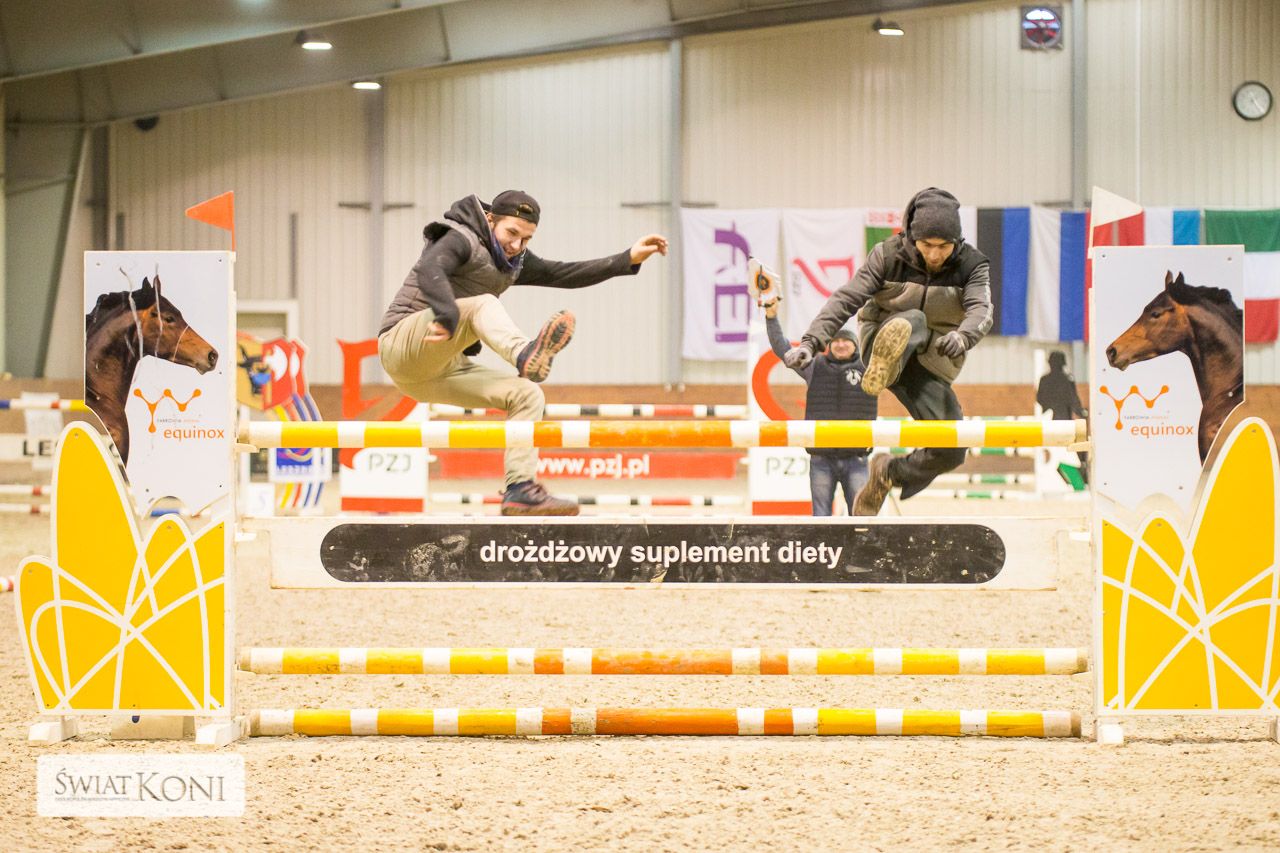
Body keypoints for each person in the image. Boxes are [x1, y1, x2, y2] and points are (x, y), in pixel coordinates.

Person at [378, 190, 668, 516]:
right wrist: (447, 313)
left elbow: (562, 273)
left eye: (526, 238)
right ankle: (523, 353)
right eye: (511, 233)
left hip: (435, 371)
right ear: (491, 220)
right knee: (484, 304)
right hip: (402, 342)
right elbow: (431, 268)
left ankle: (520, 490)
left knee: (528, 394)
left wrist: (628, 258)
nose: (516, 245)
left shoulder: (513, 262)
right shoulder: (460, 238)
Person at [783, 187, 993, 515]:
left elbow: (981, 309)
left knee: (953, 448)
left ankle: (888, 473)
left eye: (944, 246)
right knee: (914, 320)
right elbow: (846, 298)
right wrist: (811, 341)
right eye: (927, 245)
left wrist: (964, 337)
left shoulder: (973, 265)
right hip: (880, 342)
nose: (935, 255)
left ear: (958, 241)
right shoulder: (887, 255)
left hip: (930, 363)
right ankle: (887, 365)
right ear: (911, 236)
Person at [762, 296, 876, 515]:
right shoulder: (814, 366)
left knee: (861, 520)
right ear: (829, 345)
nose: (840, 344)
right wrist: (771, 316)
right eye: (836, 340)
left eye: (846, 340)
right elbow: (783, 349)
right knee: (820, 520)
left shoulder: (871, 370)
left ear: (855, 344)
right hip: (821, 458)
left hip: (857, 458)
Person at [1037, 350, 1089, 484]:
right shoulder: (1067, 379)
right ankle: (1079, 477)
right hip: (1065, 423)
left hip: (1047, 423)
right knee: (1074, 452)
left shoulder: (1044, 380)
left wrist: (1049, 407)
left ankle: (1069, 477)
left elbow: (1039, 399)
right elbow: (1073, 399)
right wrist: (1082, 413)